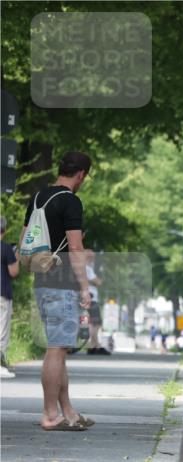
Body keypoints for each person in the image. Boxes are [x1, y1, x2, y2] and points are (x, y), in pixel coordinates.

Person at [18, 151, 93, 430]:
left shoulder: (38, 198)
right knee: (56, 348)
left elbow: (24, 238)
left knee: (58, 348)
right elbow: (75, 247)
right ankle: (50, 414)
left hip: (42, 279)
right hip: (62, 283)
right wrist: (85, 287)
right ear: (81, 174)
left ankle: (68, 411)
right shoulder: (71, 201)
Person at [1, 216, 19, 378]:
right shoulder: (6, 249)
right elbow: (13, 272)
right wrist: (17, 258)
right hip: (2, 294)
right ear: (4, 231)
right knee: (1, 331)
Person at [84, 249, 109, 354]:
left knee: (94, 323)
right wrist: (98, 280)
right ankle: (94, 345)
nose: (93, 259)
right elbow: (98, 282)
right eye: (92, 257)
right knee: (96, 323)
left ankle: (94, 345)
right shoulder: (87, 269)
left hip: (88, 297)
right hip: (91, 298)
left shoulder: (84, 268)